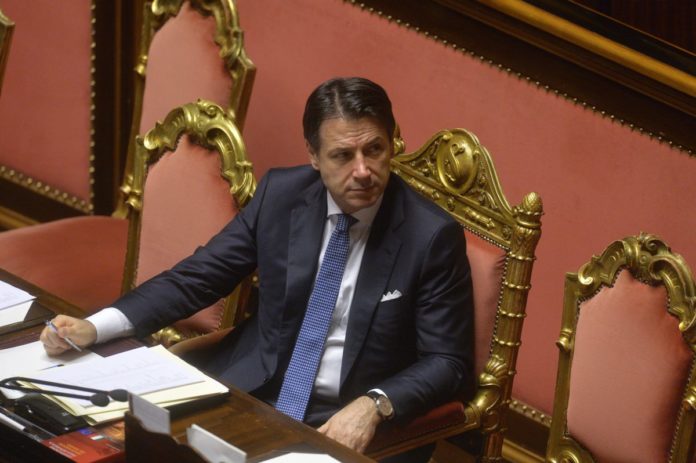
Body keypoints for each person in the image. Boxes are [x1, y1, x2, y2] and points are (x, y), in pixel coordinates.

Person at [41, 77, 474, 461]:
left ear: (392, 143)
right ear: (314, 156)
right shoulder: (281, 196)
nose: (363, 171)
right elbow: (197, 278)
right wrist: (96, 326)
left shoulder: (430, 236)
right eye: (343, 155)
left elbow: (448, 361)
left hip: (345, 417)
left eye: (374, 150)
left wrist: (374, 405)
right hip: (251, 390)